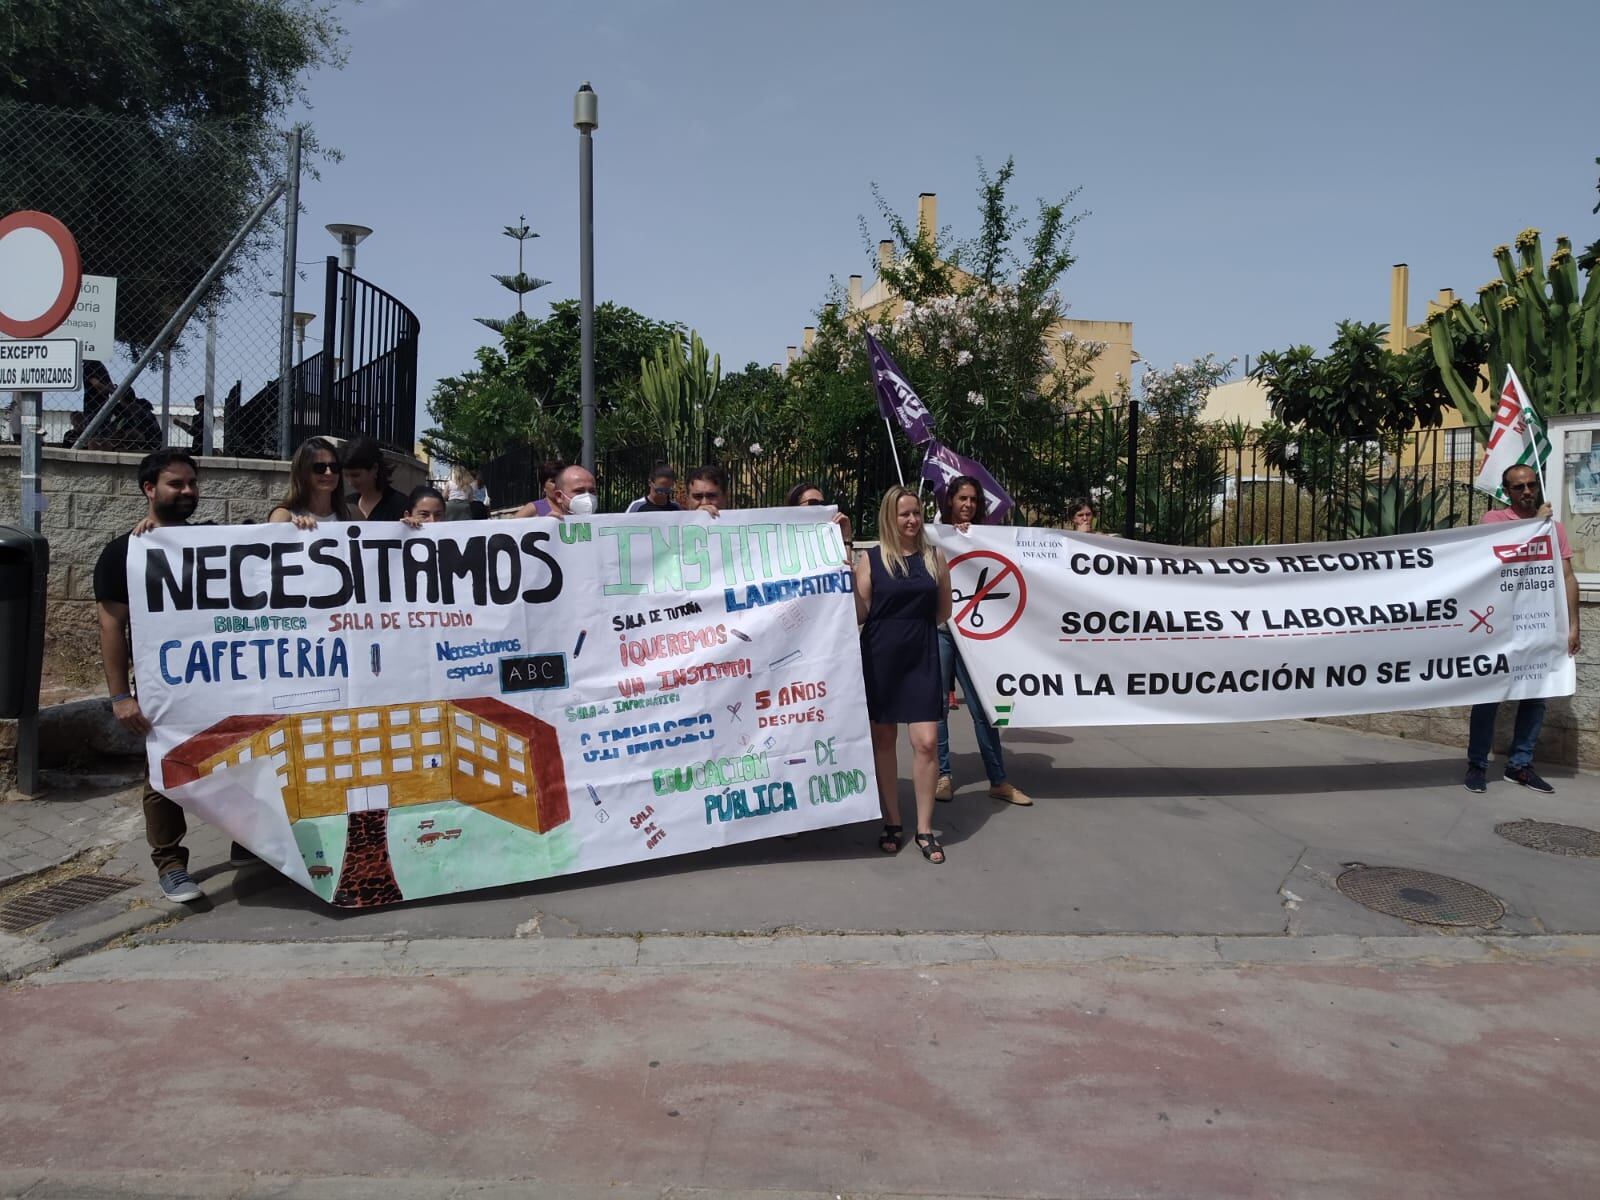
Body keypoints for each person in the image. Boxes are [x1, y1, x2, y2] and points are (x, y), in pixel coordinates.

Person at [95, 450, 252, 901]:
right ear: (149, 489)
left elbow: (268, 546)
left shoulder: (209, 542)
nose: (187, 492)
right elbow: (110, 625)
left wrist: (300, 528)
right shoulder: (125, 552)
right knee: (166, 769)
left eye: (191, 484)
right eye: (175, 484)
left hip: (222, 682)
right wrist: (120, 696)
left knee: (241, 759)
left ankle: (249, 842)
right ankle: (170, 864)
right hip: (166, 689)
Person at [1464, 463, 1579, 794]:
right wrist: (1535, 525)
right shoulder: (1494, 521)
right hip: (1499, 626)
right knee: (1488, 696)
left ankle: (1520, 765)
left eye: (1531, 485)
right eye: (1519, 487)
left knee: (1535, 697)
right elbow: (1500, 556)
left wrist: (1574, 626)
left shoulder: (1553, 528)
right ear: (1507, 492)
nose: (1527, 491)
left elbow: (1567, 576)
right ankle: (1477, 764)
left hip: (1541, 625)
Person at [855, 485, 952, 864]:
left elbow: (942, 611)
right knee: (883, 742)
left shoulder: (934, 557)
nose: (912, 520)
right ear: (889, 518)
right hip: (880, 654)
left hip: (922, 652)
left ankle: (925, 828)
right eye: (904, 514)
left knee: (926, 741)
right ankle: (893, 821)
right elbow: (859, 612)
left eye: (916, 513)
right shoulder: (871, 559)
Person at [934, 476, 1031, 806]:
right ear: (950, 500)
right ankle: (942, 776)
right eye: (962, 498)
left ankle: (998, 779)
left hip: (974, 638)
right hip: (941, 632)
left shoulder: (987, 537)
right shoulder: (935, 533)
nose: (968, 505)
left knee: (983, 708)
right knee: (937, 709)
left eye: (973, 500)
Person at [268, 437, 349, 529]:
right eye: (319, 468)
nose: (329, 472)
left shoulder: (352, 514)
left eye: (334, 467)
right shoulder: (284, 516)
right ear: (302, 473)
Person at [786, 479, 853, 562]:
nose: (819, 507)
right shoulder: (784, 541)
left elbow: (846, 570)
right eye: (813, 502)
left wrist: (846, 539)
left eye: (822, 503)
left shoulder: (829, 540)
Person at [344, 436, 409, 521]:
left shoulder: (401, 505)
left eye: (356, 475)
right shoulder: (345, 504)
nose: (350, 482)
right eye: (346, 475)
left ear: (374, 468)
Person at [514, 464, 599, 519]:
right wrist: (543, 525)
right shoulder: (533, 508)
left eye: (592, 491)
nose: (558, 486)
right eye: (554, 482)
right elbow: (509, 531)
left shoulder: (574, 507)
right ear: (544, 486)